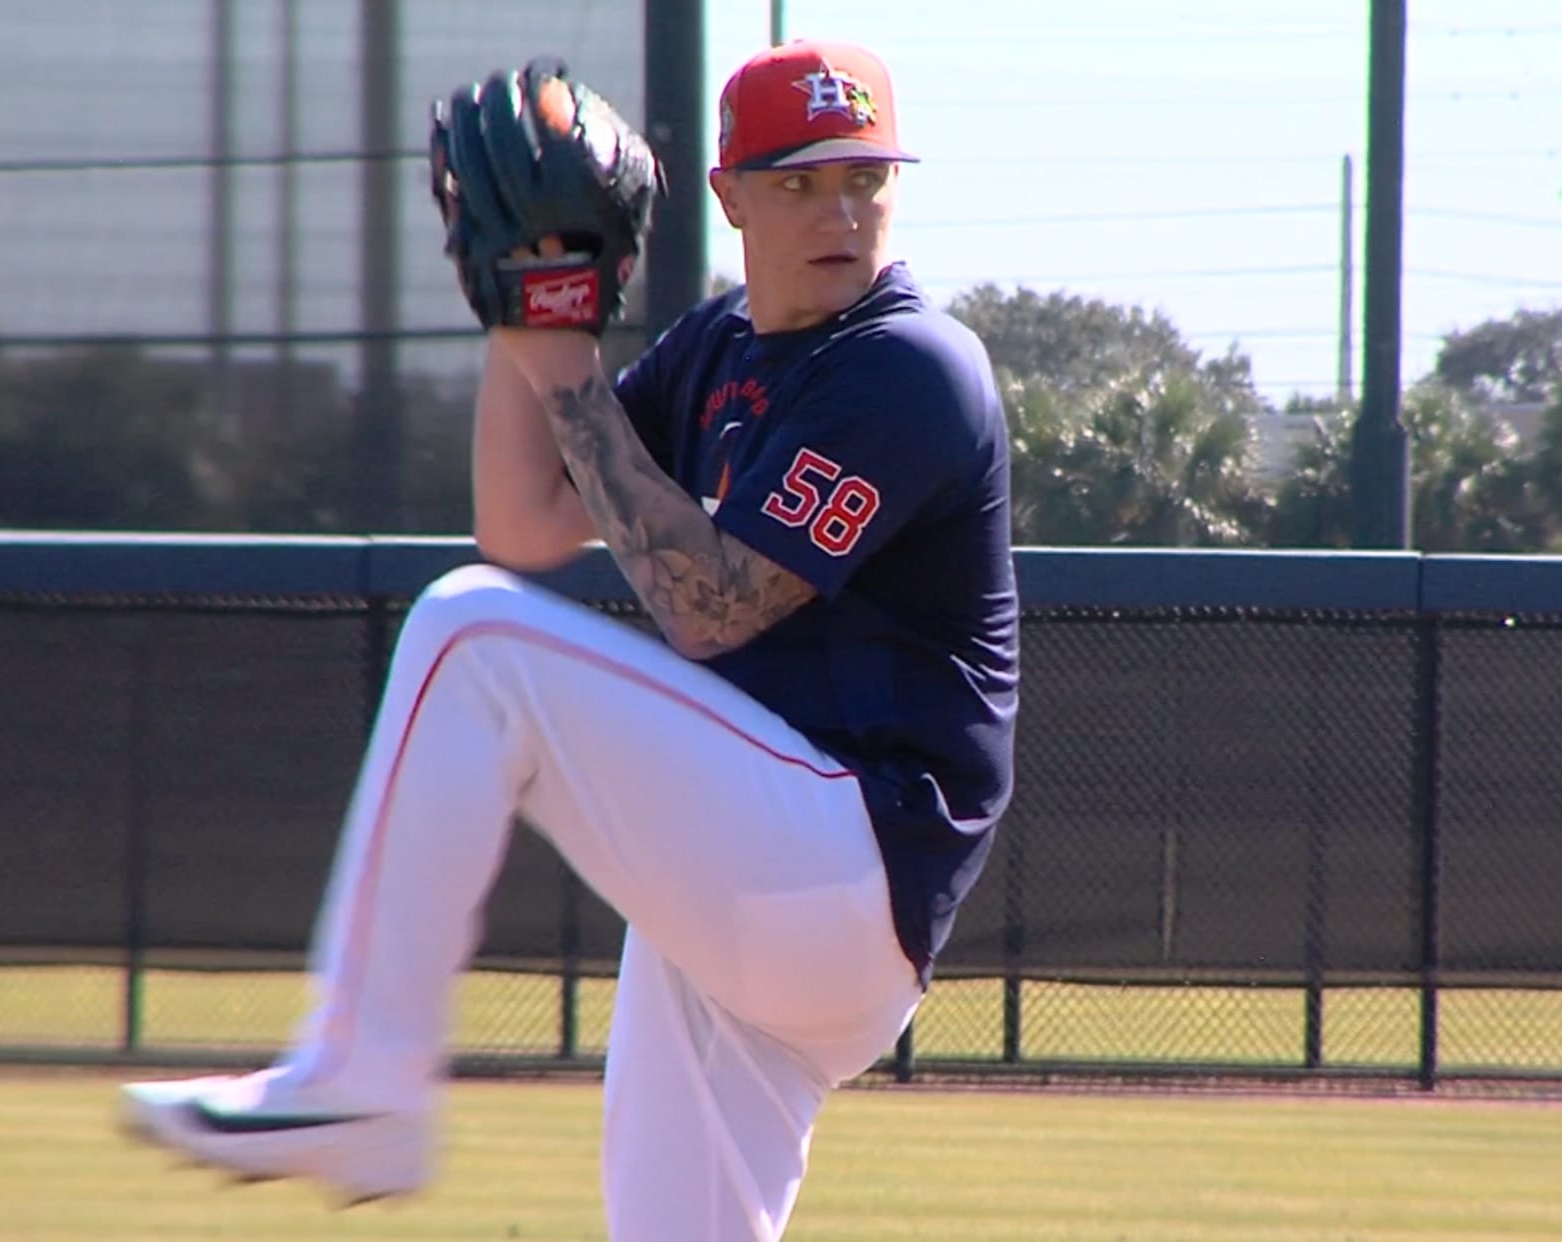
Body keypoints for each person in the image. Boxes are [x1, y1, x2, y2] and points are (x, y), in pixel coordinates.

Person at [119, 38, 1018, 1241]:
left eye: (864, 177)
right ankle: (364, 1085)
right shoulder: (715, 349)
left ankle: (365, 1077)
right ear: (729, 195)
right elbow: (522, 521)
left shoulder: (910, 366)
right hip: (759, 887)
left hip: (852, 857)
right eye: (799, 181)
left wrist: (564, 346)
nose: (839, 210)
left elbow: (709, 603)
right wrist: (531, 312)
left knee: (469, 639)